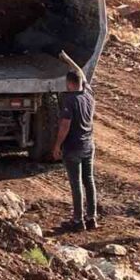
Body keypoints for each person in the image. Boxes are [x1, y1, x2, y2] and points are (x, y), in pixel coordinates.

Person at [53, 70, 97, 231]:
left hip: (73, 147)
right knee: (89, 181)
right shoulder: (89, 96)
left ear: (70, 83)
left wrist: (57, 145)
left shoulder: (69, 100)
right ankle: (91, 218)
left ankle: (78, 221)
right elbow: (86, 84)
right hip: (88, 144)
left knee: (76, 183)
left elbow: (65, 125)